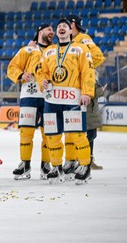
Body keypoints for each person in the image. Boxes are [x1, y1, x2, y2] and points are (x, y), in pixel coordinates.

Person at [37, 19, 95, 185]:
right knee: (52, 135)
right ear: (56, 32)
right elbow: (41, 72)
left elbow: (88, 72)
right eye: (59, 26)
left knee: (77, 134)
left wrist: (87, 93)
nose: (61, 28)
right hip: (52, 99)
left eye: (65, 26)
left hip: (72, 98)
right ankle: (56, 167)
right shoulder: (48, 51)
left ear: (71, 32)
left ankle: (85, 166)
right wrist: (43, 81)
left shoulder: (81, 49)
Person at [7, 23, 53, 180]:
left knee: (48, 133)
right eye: (49, 29)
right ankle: (25, 164)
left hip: (49, 96)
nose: (52, 32)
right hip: (29, 95)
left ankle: (46, 164)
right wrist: (21, 75)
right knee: (26, 132)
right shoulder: (27, 50)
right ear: (40, 32)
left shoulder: (55, 51)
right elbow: (12, 67)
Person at [66, 15, 105, 170]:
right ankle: (75, 159)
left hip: (86, 88)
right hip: (71, 89)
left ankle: (87, 159)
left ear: (73, 24)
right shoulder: (65, 42)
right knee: (74, 126)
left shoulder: (83, 38)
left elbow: (98, 57)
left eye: (67, 23)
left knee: (89, 124)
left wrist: (83, 70)